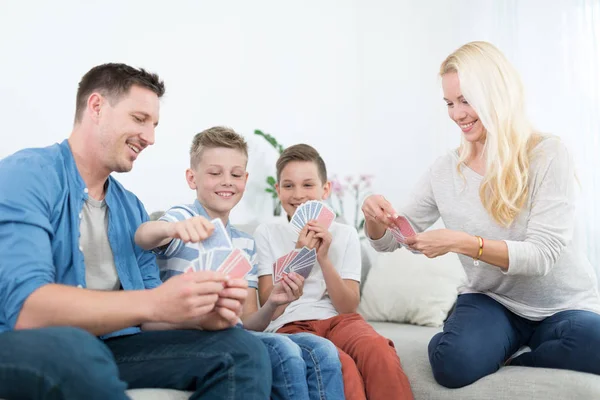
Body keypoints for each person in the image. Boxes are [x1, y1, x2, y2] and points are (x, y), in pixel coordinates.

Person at [0, 63, 271, 399]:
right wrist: (155, 302)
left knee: (243, 350)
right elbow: (28, 309)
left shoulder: (130, 208)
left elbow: (150, 318)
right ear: (97, 107)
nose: (150, 137)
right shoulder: (27, 175)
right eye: (139, 119)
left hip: (111, 346)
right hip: (30, 345)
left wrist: (200, 317)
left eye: (154, 124)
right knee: (75, 348)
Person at [362, 41, 600, 389]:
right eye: (449, 103)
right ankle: (481, 336)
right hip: (491, 300)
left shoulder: (548, 154)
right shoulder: (445, 170)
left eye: (466, 100)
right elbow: (392, 241)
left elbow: (543, 254)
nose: (457, 114)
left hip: (563, 305)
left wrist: (463, 243)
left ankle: (518, 355)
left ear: (495, 95)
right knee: (453, 364)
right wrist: (374, 219)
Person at [135, 126, 345, 400]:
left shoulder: (245, 244)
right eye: (214, 173)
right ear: (192, 178)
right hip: (187, 335)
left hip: (232, 333)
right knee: (285, 351)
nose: (226, 181)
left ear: (245, 179)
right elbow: (143, 237)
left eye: (235, 174)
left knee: (322, 350)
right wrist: (172, 230)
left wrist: (273, 304)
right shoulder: (181, 217)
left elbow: (248, 323)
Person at [254, 144, 414, 400]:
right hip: (291, 325)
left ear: (325, 189)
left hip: (339, 320)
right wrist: (300, 255)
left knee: (379, 351)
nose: (298, 195)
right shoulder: (267, 233)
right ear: (278, 190)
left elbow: (348, 306)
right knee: (343, 367)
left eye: (308, 185)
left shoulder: (345, 233)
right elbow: (268, 306)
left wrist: (323, 258)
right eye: (288, 186)